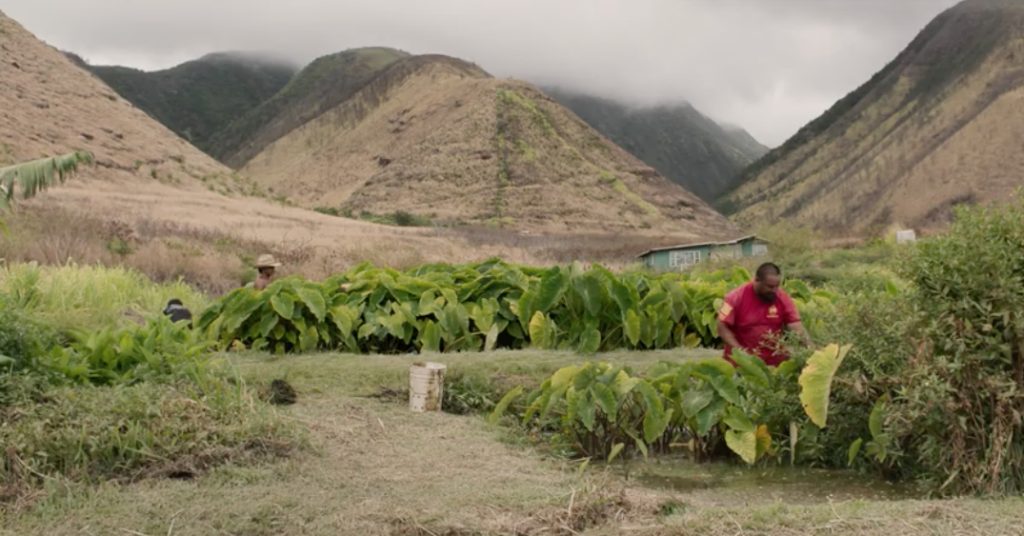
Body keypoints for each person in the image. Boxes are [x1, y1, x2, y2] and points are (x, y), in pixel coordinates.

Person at [717, 262, 811, 367]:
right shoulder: (734, 298)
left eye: (777, 286)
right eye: (770, 287)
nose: (774, 290)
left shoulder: (782, 297)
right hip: (741, 364)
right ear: (756, 280)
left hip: (773, 364)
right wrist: (740, 351)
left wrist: (810, 349)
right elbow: (722, 326)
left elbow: (795, 325)